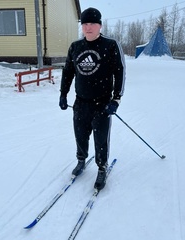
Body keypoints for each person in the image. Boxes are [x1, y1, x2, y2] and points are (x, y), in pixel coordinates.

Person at [59, 7, 126, 190]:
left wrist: (116, 99)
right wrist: (63, 94)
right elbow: (68, 72)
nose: (88, 28)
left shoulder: (110, 45)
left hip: (102, 104)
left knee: (101, 139)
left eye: (92, 24)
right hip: (81, 102)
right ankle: (81, 160)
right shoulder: (76, 47)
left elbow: (120, 73)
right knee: (80, 135)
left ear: (100, 26)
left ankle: (102, 168)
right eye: (85, 24)